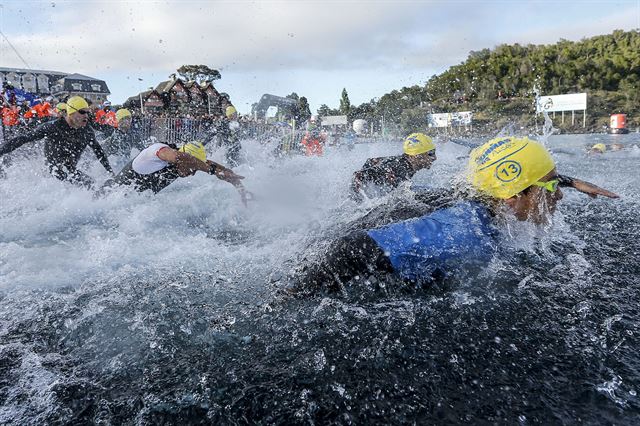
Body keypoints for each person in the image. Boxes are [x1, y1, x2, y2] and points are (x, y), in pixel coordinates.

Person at [291, 136, 619, 295]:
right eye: (551, 186)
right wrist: (285, 303)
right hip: (325, 253)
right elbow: (343, 252)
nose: (559, 195)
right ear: (512, 196)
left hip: (370, 225)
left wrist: (570, 180)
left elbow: (513, 181)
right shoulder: (463, 232)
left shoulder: (480, 194)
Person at [0, 95, 114, 188]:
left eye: (87, 112)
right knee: (84, 184)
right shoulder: (53, 127)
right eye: (82, 112)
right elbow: (24, 138)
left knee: (92, 186)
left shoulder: (87, 131)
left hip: (70, 170)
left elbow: (98, 151)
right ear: (70, 112)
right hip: (53, 173)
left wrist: (110, 172)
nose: (86, 116)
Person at [99, 141, 250, 204]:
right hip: (107, 197)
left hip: (128, 205)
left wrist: (242, 190)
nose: (192, 174)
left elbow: (223, 172)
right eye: (192, 169)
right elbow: (180, 156)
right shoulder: (157, 152)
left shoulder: (186, 165)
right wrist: (210, 170)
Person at [351, 132, 436, 201]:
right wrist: (358, 201)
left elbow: (371, 161)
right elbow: (358, 175)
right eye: (430, 154)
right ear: (416, 155)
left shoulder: (403, 162)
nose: (435, 158)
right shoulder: (399, 167)